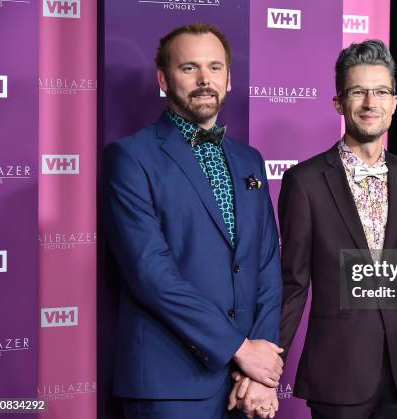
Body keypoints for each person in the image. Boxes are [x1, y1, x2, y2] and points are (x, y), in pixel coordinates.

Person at [101, 23, 282, 419]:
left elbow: (266, 264)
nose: (205, 79)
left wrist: (261, 367)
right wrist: (240, 349)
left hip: (245, 385)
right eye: (189, 68)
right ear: (164, 79)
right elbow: (151, 274)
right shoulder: (129, 158)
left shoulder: (250, 160)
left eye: (215, 67)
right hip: (171, 385)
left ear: (229, 79)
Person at [277, 40, 397, 419]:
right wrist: (268, 369)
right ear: (339, 102)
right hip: (338, 372)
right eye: (358, 92)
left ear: (394, 103)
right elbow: (292, 284)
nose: (371, 103)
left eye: (381, 91)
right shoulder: (305, 181)